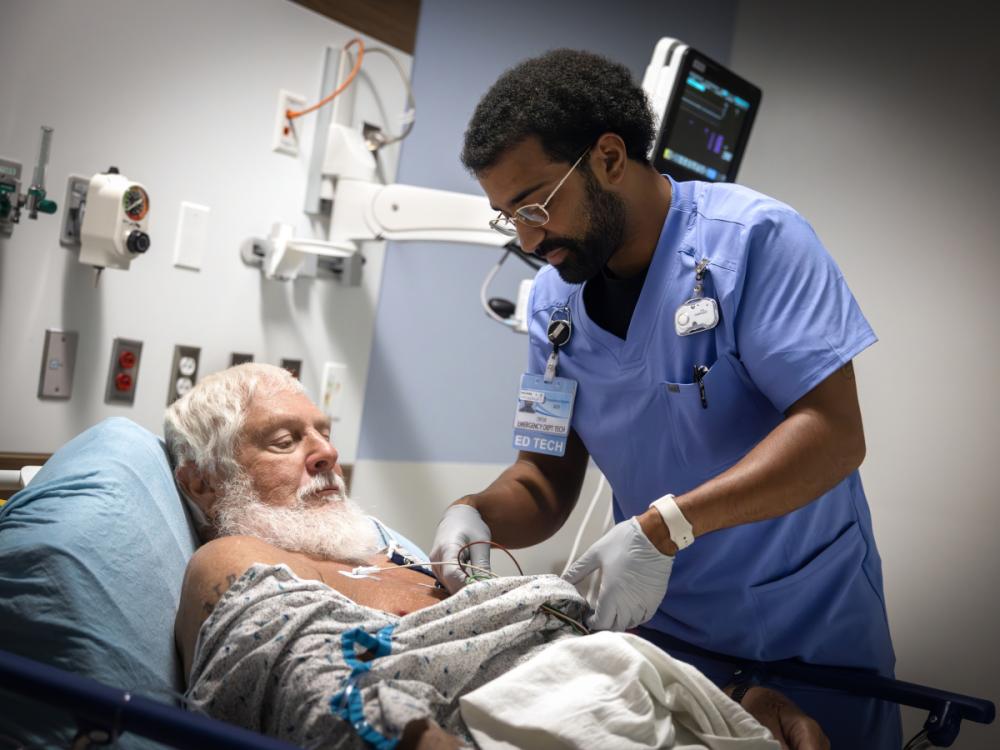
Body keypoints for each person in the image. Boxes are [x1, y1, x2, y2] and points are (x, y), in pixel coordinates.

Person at [430, 49, 900, 748]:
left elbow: (833, 433)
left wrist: (666, 526)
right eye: (508, 217)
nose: (528, 238)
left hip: (809, 638)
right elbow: (543, 475)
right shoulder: (554, 302)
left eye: (534, 205)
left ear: (610, 157)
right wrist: (473, 514)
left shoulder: (758, 243)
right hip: (661, 644)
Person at [165, 363, 827, 749]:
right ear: (201, 481)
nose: (326, 453)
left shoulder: (397, 558)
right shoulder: (234, 557)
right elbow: (310, 688)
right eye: (285, 439)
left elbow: (561, 640)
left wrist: (734, 697)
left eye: (324, 434)